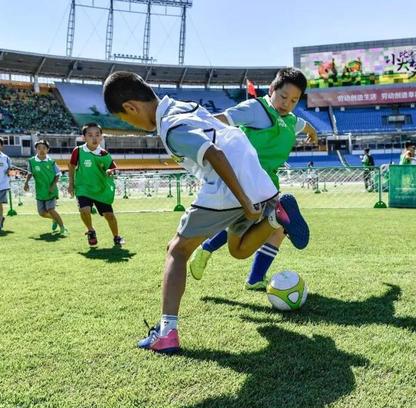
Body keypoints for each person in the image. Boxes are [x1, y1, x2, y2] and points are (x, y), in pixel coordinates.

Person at [103, 71, 310, 353]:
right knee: (238, 249)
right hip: (254, 172)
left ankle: (167, 333)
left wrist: (245, 202)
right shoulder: (181, 105)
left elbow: (214, 154)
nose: (132, 124)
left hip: (228, 182)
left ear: (130, 107)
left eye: (126, 120)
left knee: (177, 250)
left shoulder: (172, 127)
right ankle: (276, 217)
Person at [189, 67, 318, 290]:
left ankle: (255, 278)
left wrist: (312, 131)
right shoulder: (255, 108)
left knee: (278, 227)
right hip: (244, 181)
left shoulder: (290, 120)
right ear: (271, 90)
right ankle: (206, 249)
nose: (287, 103)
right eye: (283, 96)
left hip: (268, 183)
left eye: (294, 100)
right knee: (246, 225)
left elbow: (303, 124)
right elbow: (220, 120)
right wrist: (191, 133)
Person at [67, 123, 124, 247]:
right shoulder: (78, 151)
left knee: (109, 216)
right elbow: (71, 166)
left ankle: (116, 237)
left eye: (97, 135)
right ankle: (91, 231)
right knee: (84, 209)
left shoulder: (104, 154)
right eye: (90, 135)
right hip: (83, 187)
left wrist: (110, 171)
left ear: (101, 137)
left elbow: (113, 168)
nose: (94, 138)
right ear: (84, 138)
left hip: (101, 189)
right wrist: (71, 183)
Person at [24, 139, 68, 236]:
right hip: (40, 191)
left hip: (51, 190)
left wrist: (53, 185)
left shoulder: (51, 162)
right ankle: (54, 219)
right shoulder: (31, 161)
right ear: (36, 150)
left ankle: (63, 228)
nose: (41, 150)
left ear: (47, 149)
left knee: (51, 209)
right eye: (39, 148)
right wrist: (26, 182)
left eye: (44, 148)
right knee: (42, 213)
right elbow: (30, 173)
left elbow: (57, 174)